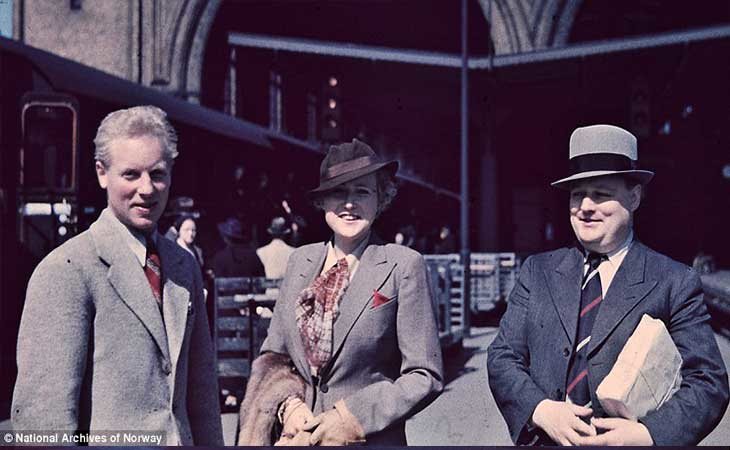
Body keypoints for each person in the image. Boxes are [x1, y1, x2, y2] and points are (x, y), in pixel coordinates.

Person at [487, 124, 729, 446]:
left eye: (601, 194)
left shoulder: (674, 281)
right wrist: (540, 409)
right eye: (577, 195)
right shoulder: (537, 271)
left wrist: (648, 434)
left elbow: (708, 381)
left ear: (634, 196)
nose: (585, 206)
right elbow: (503, 355)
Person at [11, 105, 223, 445]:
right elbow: (44, 416)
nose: (147, 189)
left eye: (157, 174)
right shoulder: (67, 270)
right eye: (130, 175)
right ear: (101, 173)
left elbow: (202, 396)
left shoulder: (184, 267)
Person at [237, 138, 443, 446]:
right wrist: (288, 407)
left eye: (362, 191)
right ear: (322, 202)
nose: (349, 203)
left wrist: (350, 418)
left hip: (367, 440)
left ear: (381, 199)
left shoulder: (403, 265)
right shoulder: (300, 261)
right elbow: (274, 355)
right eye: (338, 192)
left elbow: (425, 375)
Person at [256, 216, 296, 280]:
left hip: (270, 289)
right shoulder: (293, 252)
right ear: (286, 233)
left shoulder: (260, 251)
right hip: (286, 289)